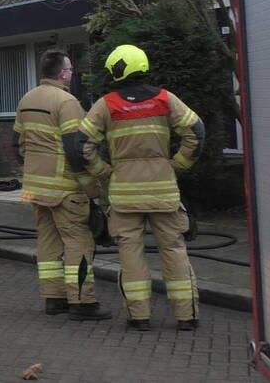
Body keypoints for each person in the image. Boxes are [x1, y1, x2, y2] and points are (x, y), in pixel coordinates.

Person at [78, 44, 205, 332]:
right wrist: (177, 165)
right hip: (163, 192)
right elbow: (196, 132)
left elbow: (80, 144)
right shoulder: (165, 99)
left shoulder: (106, 104)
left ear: (117, 69)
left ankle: (139, 317)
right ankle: (186, 317)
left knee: (130, 255)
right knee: (174, 250)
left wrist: (104, 171)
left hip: (125, 195)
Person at [14, 49, 112, 321]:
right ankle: (82, 302)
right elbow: (75, 148)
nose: (72, 72)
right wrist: (92, 187)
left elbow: (19, 144)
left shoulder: (26, 99)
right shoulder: (67, 102)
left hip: (35, 187)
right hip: (64, 188)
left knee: (47, 242)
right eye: (70, 68)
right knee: (78, 241)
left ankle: (54, 299)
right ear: (63, 73)